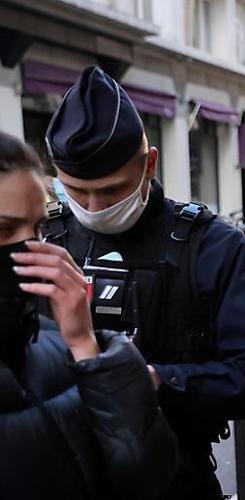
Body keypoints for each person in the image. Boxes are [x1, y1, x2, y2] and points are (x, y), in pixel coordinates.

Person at [41, 66, 245, 498]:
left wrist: (153, 379)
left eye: (112, 190)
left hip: (176, 476)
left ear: (149, 164)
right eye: (75, 191)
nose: (93, 207)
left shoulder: (211, 245)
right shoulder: (42, 233)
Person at [0, 131, 178, 499]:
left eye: (37, 228)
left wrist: (86, 344)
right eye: (4, 229)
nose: (31, 247)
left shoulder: (51, 342)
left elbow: (147, 474)